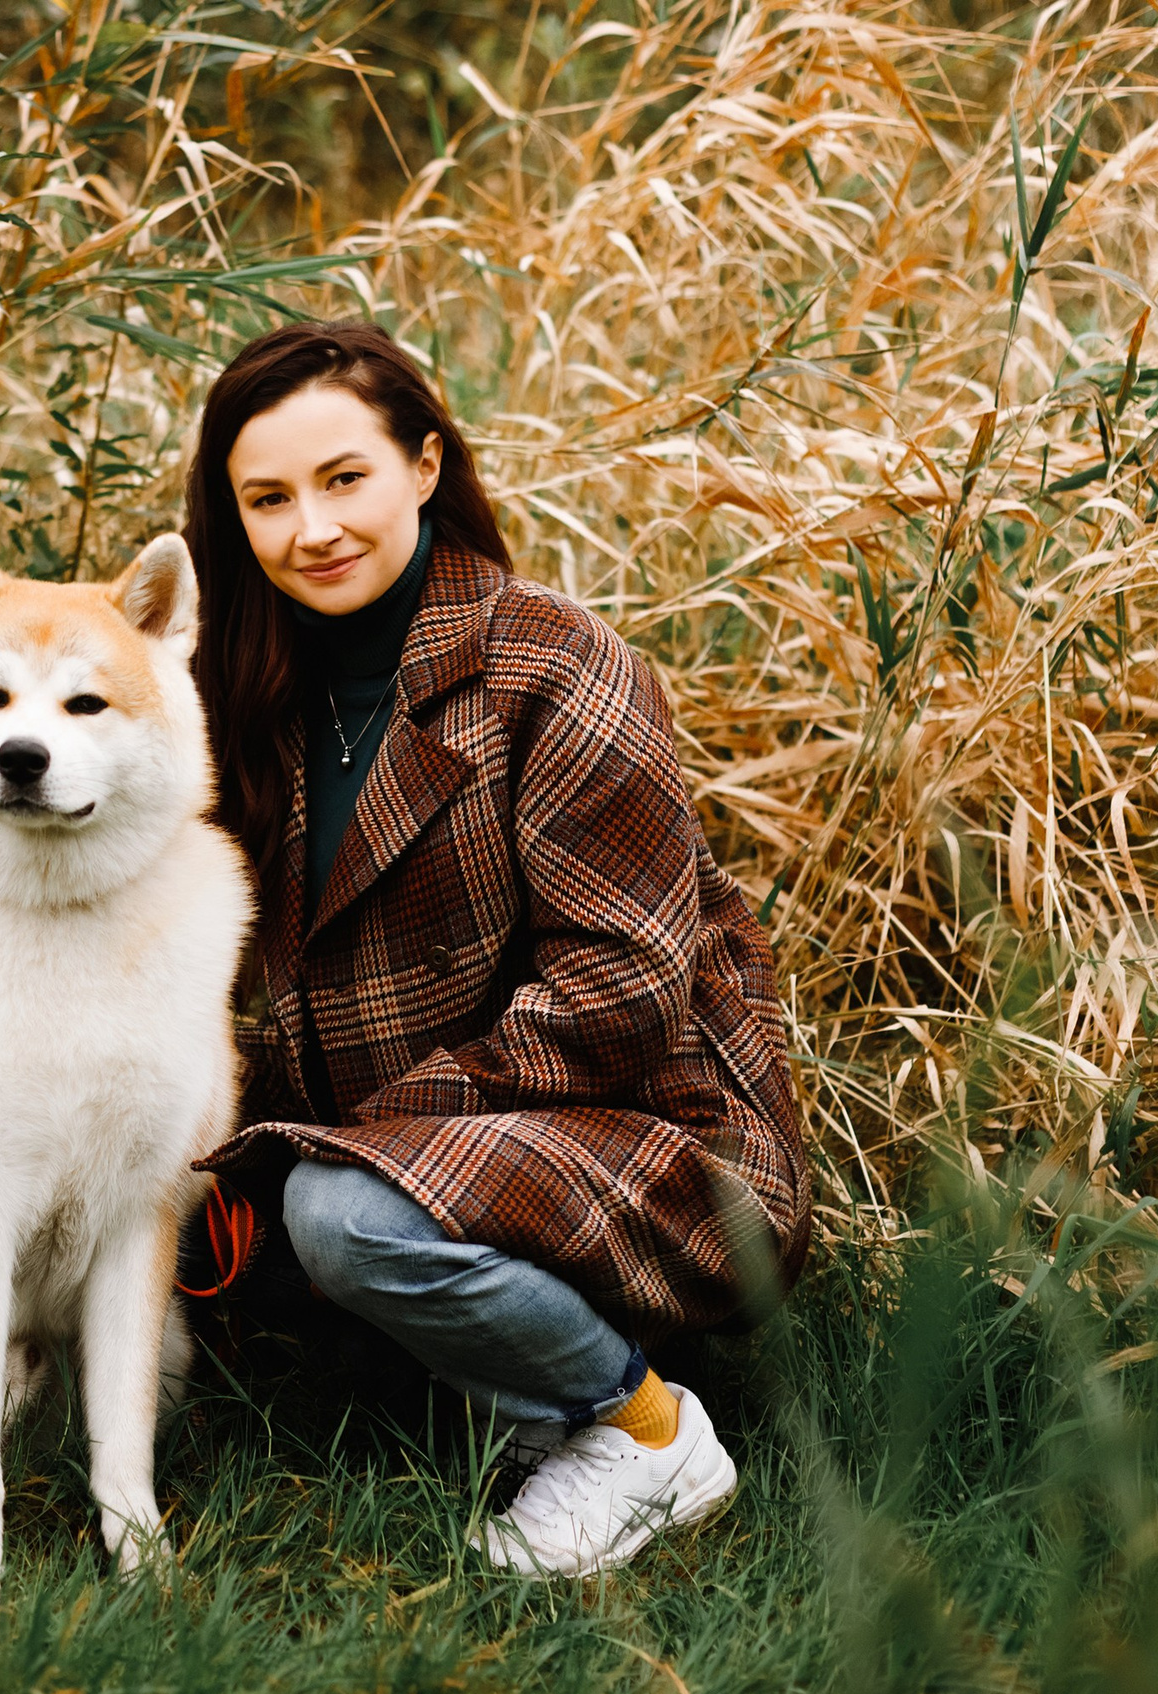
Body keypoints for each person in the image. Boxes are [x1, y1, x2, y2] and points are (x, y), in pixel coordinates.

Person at [178, 320, 810, 1579]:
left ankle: (639, 1432)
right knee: (222, 1233)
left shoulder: (553, 665)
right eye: (268, 498)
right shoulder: (240, 691)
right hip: (408, 1140)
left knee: (345, 1218)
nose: (313, 528)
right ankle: (483, 1382)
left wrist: (351, 1146)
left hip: (642, 1129)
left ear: (423, 465)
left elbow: (620, 994)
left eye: (344, 478)